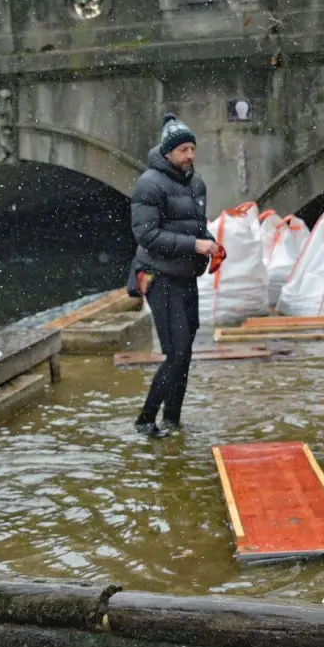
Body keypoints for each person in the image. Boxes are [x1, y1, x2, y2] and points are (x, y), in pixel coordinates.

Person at [127, 115, 217, 439]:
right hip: (157, 275)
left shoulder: (196, 184)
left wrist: (211, 244)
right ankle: (145, 420)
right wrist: (195, 244)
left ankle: (173, 420)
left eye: (192, 148)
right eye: (182, 149)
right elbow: (147, 235)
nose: (189, 155)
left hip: (185, 275)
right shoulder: (149, 184)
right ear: (167, 153)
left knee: (185, 352)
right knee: (176, 352)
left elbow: (194, 225)